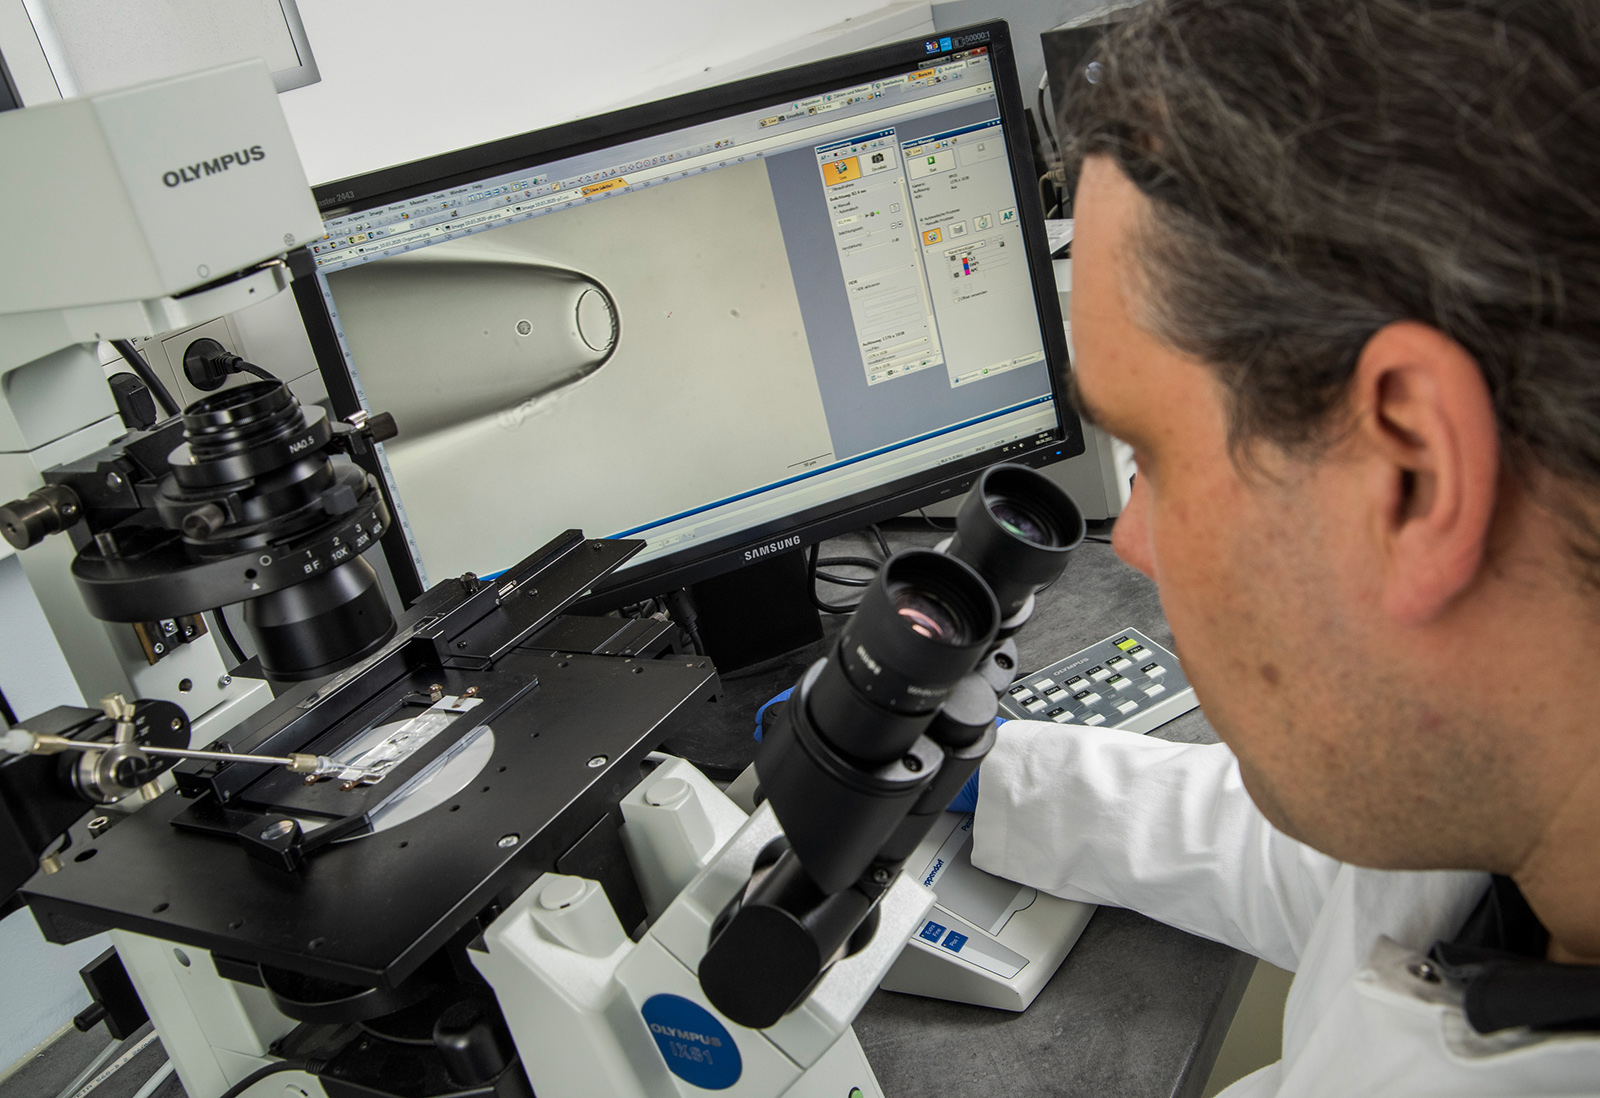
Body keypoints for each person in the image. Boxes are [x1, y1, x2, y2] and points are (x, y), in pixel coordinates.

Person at [966, 0, 1600, 1092]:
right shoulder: (1520, 799)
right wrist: (999, 778)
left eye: (1150, 456)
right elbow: (1365, 888)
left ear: (1412, 473)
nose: (1133, 542)